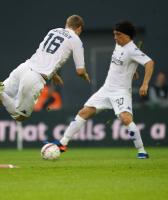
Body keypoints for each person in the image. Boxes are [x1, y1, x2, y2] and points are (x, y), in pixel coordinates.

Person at [0, 15, 90, 121]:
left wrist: (55, 75)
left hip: (24, 67)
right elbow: (80, 71)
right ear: (79, 29)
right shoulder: (76, 40)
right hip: (35, 78)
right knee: (20, 116)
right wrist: (85, 76)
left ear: (66, 24)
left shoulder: (54, 31)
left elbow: (47, 54)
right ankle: (0, 91)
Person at [52, 21, 155, 159]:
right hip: (106, 89)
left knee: (126, 119)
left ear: (127, 36)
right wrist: (132, 71)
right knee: (84, 112)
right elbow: (123, 63)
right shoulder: (118, 45)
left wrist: (145, 84)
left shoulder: (132, 49)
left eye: (118, 35)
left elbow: (149, 63)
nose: (115, 37)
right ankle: (62, 143)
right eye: (114, 34)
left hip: (121, 92)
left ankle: (142, 151)